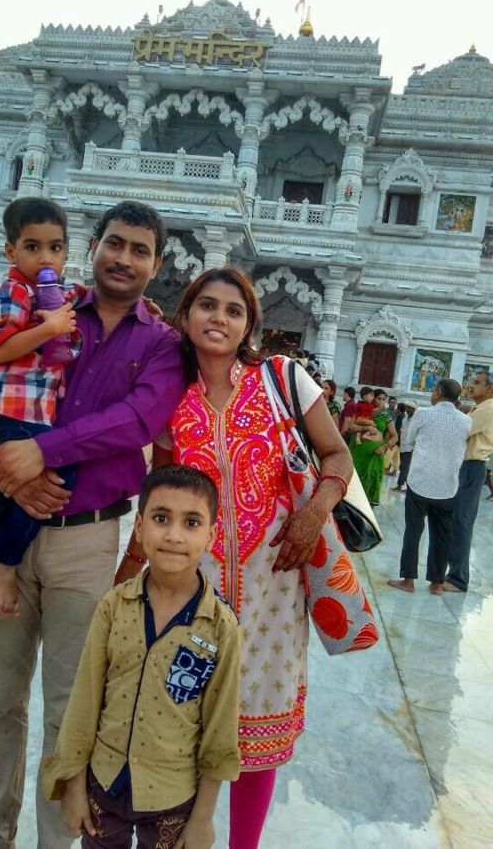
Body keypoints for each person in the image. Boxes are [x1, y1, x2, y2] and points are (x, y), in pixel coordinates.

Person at [0, 199, 185, 848]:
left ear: (157, 264)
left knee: (68, 708)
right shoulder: (47, 310)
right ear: (92, 246)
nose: (124, 259)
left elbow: (138, 421)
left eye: (140, 250)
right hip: (6, 521)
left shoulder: (161, 343)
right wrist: (8, 467)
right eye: (114, 243)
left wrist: (42, 451)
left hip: (86, 541)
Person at [116, 267, 352, 849]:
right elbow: (158, 494)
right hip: (192, 587)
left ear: (249, 325)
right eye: (207, 305)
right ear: (186, 315)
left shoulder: (282, 378)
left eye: (233, 310)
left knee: (257, 735)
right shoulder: (172, 397)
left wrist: (314, 512)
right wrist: (127, 574)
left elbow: (336, 454)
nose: (219, 318)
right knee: (184, 722)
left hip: (275, 584)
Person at [42, 465, 242, 849]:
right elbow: (83, 702)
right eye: (161, 518)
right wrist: (74, 786)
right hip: (103, 787)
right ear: (138, 527)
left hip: (172, 798)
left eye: (191, 523)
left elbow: (220, 730)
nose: (173, 535)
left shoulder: (221, 628)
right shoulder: (113, 606)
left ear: (211, 535)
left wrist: (202, 819)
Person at [0, 197, 80, 618]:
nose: (45, 258)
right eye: (32, 247)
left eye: (55, 248)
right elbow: (0, 348)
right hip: (5, 408)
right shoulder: (12, 291)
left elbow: (85, 299)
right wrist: (51, 327)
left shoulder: (51, 293)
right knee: (59, 468)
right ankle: (2, 558)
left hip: (27, 411)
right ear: (11, 251)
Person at [388, 379, 472, 595]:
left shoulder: (424, 414)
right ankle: (436, 583)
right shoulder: (466, 421)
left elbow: (408, 440)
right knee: (442, 535)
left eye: (434, 391)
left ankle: (408, 580)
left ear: (438, 393)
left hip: (420, 482)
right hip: (448, 486)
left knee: (413, 531)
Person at [443, 370, 493, 592]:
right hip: (465, 467)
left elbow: (459, 431)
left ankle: (458, 579)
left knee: (461, 521)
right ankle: (452, 573)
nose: (471, 385)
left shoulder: (488, 409)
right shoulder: (479, 408)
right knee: (455, 520)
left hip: (472, 467)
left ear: (490, 389)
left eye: (478, 382)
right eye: (472, 381)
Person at [346, 387, 397, 505]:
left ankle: (367, 507)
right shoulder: (362, 410)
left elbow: (395, 436)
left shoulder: (385, 416)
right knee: (355, 479)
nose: (381, 402)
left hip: (376, 452)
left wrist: (384, 447)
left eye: (384, 399)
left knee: (372, 478)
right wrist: (365, 427)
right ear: (372, 398)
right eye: (379, 398)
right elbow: (350, 427)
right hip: (358, 451)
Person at [392, 400, 417, 491]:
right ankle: (407, 487)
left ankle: (400, 485)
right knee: (403, 467)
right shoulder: (405, 419)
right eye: (407, 408)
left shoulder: (416, 420)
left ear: (414, 409)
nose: (407, 410)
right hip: (403, 446)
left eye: (410, 408)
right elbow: (401, 431)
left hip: (411, 448)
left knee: (405, 467)